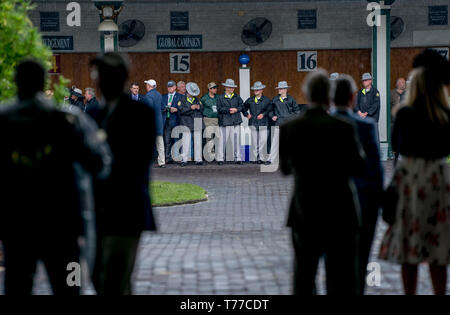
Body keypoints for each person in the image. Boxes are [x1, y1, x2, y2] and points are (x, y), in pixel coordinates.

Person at [0, 60, 111, 295]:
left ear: (16, 82)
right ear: (44, 82)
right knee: (69, 286)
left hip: (16, 221)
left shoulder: (3, 120)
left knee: (17, 285)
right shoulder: (67, 119)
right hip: (63, 222)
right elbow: (99, 163)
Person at [279, 69, 366, 295]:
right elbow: (359, 166)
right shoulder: (345, 128)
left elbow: (286, 169)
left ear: (306, 96)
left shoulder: (289, 128)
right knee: (339, 277)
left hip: (304, 208)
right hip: (340, 209)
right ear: (329, 96)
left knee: (304, 275)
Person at [379, 51, 450, 295]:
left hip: (410, 178)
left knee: (410, 245)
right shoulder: (444, 115)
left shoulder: (405, 114)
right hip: (438, 178)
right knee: (438, 246)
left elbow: (397, 147)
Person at [89, 53, 157, 295]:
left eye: (105, 76)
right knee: (98, 276)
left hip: (126, 207)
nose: (100, 81)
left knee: (115, 276)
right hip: (97, 210)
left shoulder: (140, 114)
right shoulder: (93, 114)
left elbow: (139, 161)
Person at [331, 74, 384, 294]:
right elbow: (376, 170)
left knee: (333, 259)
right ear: (353, 97)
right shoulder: (367, 127)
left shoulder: (325, 124)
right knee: (361, 257)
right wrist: (379, 202)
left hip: (332, 203)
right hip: (363, 202)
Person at [269, 81, 299, 164]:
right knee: (275, 143)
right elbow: (270, 110)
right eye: (278, 88)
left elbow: (297, 112)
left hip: (289, 125)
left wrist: (289, 118)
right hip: (278, 124)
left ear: (285, 90)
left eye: (281, 89)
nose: (279, 90)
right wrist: (272, 116)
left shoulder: (291, 99)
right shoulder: (275, 99)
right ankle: (271, 159)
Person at [216, 78, 244, 165]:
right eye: (231, 87)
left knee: (236, 140)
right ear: (226, 88)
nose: (233, 89)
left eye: (233, 87)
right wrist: (229, 110)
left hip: (235, 120)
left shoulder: (237, 97)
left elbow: (242, 106)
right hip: (225, 121)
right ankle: (220, 158)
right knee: (222, 141)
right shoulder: (220, 98)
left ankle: (238, 158)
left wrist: (236, 109)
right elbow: (219, 109)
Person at [243, 81, 272, 164]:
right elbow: (243, 107)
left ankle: (261, 158)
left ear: (262, 90)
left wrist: (263, 114)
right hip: (253, 123)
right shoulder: (250, 100)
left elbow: (270, 109)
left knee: (262, 141)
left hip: (263, 123)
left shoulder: (267, 100)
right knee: (255, 142)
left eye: (258, 89)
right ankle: (255, 158)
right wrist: (246, 114)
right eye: (255, 90)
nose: (256, 91)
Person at [178, 82, 205, 166]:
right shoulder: (182, 100)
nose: (192, 94)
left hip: (197, 121)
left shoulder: (197, 100)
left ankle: (198, 159)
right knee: (186, 142)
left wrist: (199, 107)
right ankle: (184, 159)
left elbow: (202, 109)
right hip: (186, 122)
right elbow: (181, 110)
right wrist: (191, 108)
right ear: (187, 91)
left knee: (198, 141)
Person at [143, 79, 164, 168]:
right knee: (160, 143)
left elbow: (149, 109)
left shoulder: (148, 95)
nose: (146, 86)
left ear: (149, 86)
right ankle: (162, 162)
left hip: (151, 122)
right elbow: (163, 107)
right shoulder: (159, 94)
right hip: (159, 121)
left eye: (147, 85)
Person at [161, 80, 183, 164]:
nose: (170, 88)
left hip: (176, 120)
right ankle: (168, 157)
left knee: (177, 140)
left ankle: (177, 158)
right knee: (167, 140)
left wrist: (177, 109)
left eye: (171, 87)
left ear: (175, 87)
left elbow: (183, 107)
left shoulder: (180, 96)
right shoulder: (163, 97)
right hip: (166, 120)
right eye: (168, 87)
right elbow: (161, 107)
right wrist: (165, 108)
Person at [355, 73, 381, 140]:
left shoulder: (375, 92)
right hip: (362, 119)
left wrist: (366, 113)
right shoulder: (361, 92)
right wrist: (359, 112)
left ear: (370, 81)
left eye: (365, 80)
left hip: (372, 120)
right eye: (363, 80)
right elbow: (356, 103)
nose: (364, 82)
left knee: (373, 138)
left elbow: (376, 105)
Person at [200, 82, 220, 158]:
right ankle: (211, 155)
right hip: (208, 119)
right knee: (209, 138)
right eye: (214, 88)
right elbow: (200, 109)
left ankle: (218, 155)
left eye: (216, 88)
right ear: (209, 89)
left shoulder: (218, 97)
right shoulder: (204, 98)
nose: (215, 89)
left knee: (218, 137)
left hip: (217, 119)